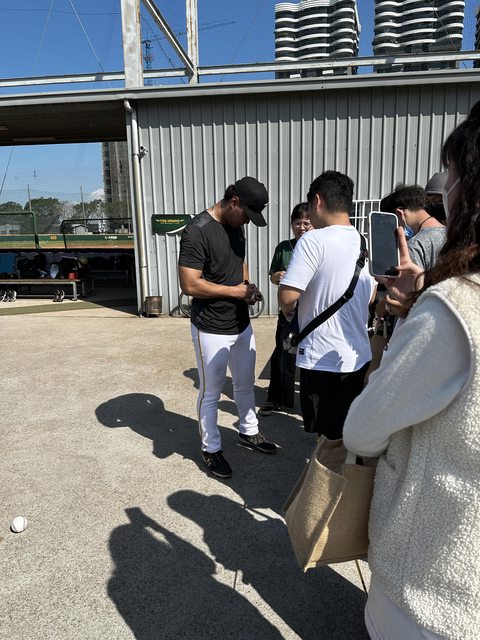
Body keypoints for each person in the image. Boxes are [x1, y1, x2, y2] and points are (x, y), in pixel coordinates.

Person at [343, 101, 480, 640]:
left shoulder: (456, 307)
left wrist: (417, 315)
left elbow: (363, 428)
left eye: (451, 174)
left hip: (433, 588)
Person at [178, 176, 277, 480]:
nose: (247, 222)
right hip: (210, 327)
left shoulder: (236, 226)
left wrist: (247, 286)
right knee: (211, 391)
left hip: (240, 323)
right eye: (247, 214)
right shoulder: (197, 230)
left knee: (245, 383)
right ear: (234, 202)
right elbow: (189, 284)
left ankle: (248, 431)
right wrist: (235, 292)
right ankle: (211, 448)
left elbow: (240, 262)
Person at [278, 170, 375, 439]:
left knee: (327, 440)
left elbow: (287, 297)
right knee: (347, 432)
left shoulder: (313, 240)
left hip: (322, 358)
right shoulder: (364, 242)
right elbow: (370, 296)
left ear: (317, 201)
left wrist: (289, 309)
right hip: (357, 355)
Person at [258, 203, 311, 417]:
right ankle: (276, 398)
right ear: (291, 225)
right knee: (282, 352)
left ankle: (311, 404)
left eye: (306, 223)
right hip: (289, 310)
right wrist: (277, 276)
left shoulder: (319, 245)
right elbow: (272, 276)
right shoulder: (284, 247)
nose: (302, 227)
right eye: (297, 223)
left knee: (311, 355)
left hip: (314, 309)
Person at [378, 184, 446, 319]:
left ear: (399, 213)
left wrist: (387, 306)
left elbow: (410, 303)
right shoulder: (451, 234)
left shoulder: (415, 245)